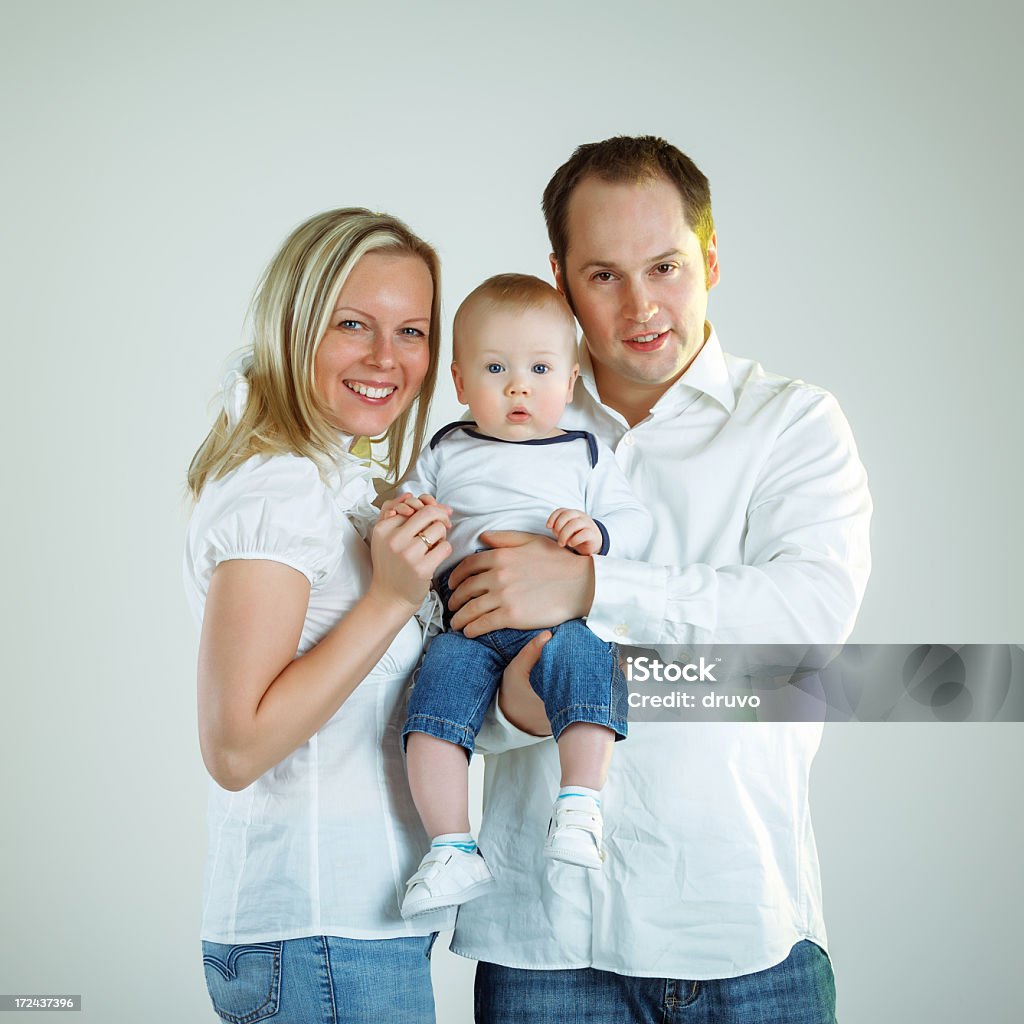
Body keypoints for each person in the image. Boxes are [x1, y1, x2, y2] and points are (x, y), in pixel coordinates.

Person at [448, 137, 873, 1023]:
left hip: (748, 937)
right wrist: (514, 702)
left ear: (710, 259)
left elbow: (801, 636)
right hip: (547, 948)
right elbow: (446, 669)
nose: (641, 305)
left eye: (667, 266)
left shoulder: (793, 426)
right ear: (560, 280)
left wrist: (591, 590)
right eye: (603, 275)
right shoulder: (484, 442)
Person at [183, 208, 460, 1024]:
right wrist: (389, 600)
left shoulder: (327, 481)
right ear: (295, 326)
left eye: (412, 329)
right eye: (353, 324)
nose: (387, 359)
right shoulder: (281, 489)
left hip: (344, 934)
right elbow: (236, 746)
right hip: (319, 934)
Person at [394, 274, 651, 921]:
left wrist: (595, 533)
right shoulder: (447, 447)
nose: (518, 385)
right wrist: (408, 512)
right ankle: (451, 846)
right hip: (468, 628)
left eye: (539, 368)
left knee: (590, 659)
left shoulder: (585, 453)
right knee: (430, 713)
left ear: (569, 383)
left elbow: (637, 524)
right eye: (495, 367)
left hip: (559, 619)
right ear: (458, 382)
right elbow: (402, 504)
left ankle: (580, 803)